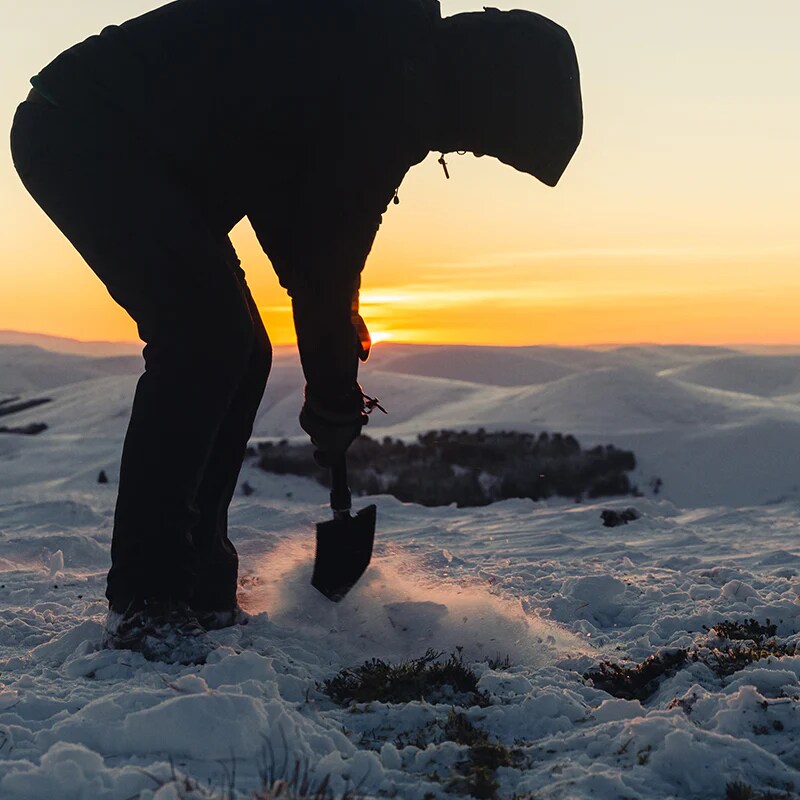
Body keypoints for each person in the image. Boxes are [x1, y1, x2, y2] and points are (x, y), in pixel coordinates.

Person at [10, 0, 582, 663]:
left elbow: (299, 219)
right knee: (202, 338)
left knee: (239, 347)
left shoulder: (385, 51)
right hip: (85, 133)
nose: (463, 149)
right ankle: (151, 601)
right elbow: (324, 258)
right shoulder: (390, 85)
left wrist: (332, 358)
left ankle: (198, 585)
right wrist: (335, 392)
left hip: (111, 135)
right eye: (484, 139)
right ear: (486, 94)